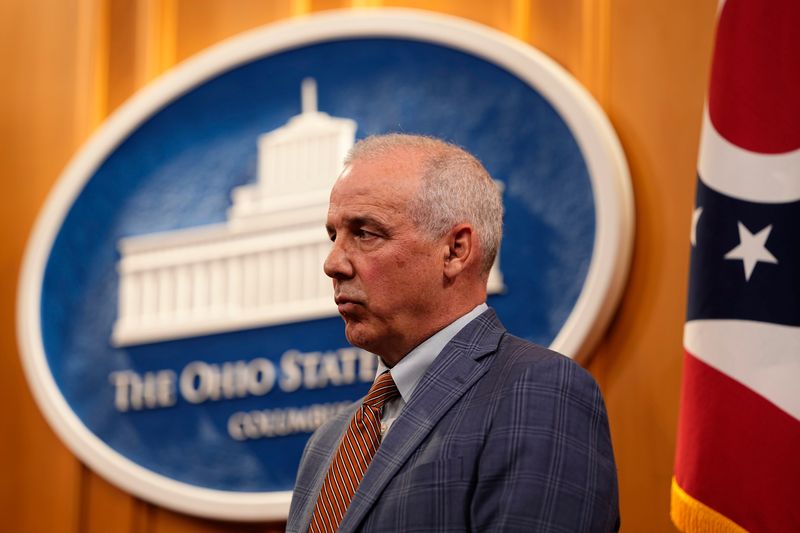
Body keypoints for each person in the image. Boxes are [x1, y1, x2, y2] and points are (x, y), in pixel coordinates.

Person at [287, 134, 620, 532]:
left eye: (365, 233)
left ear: (456, 250)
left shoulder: (539, 392)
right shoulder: (328, 442)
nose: (332, 263)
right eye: (333, 235)